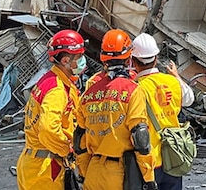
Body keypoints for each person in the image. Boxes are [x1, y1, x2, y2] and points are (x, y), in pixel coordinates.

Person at [76, 29, 157, 190]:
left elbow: (79, 139)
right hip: (120, 173)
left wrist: (84, 173)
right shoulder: (132, 90)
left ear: (103, 59)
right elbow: (140, 137)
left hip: (93, 170)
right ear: (129, 58)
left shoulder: (89, 93)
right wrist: (149, 178)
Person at [17, 29, 86, 190]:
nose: (82, 61)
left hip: (35, 164)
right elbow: (48, 129)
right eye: (79, 57)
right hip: (46, 170)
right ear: (66, 60)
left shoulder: (49, 80)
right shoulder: (57, 90)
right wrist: (67, 150)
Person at [131, 33, 194, 190]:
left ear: (133, 61)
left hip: (149, 161)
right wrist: (177, 76)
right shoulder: (172, 82)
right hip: (173, 155)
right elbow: (189, 99)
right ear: (156, 58)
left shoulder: (135, 88)